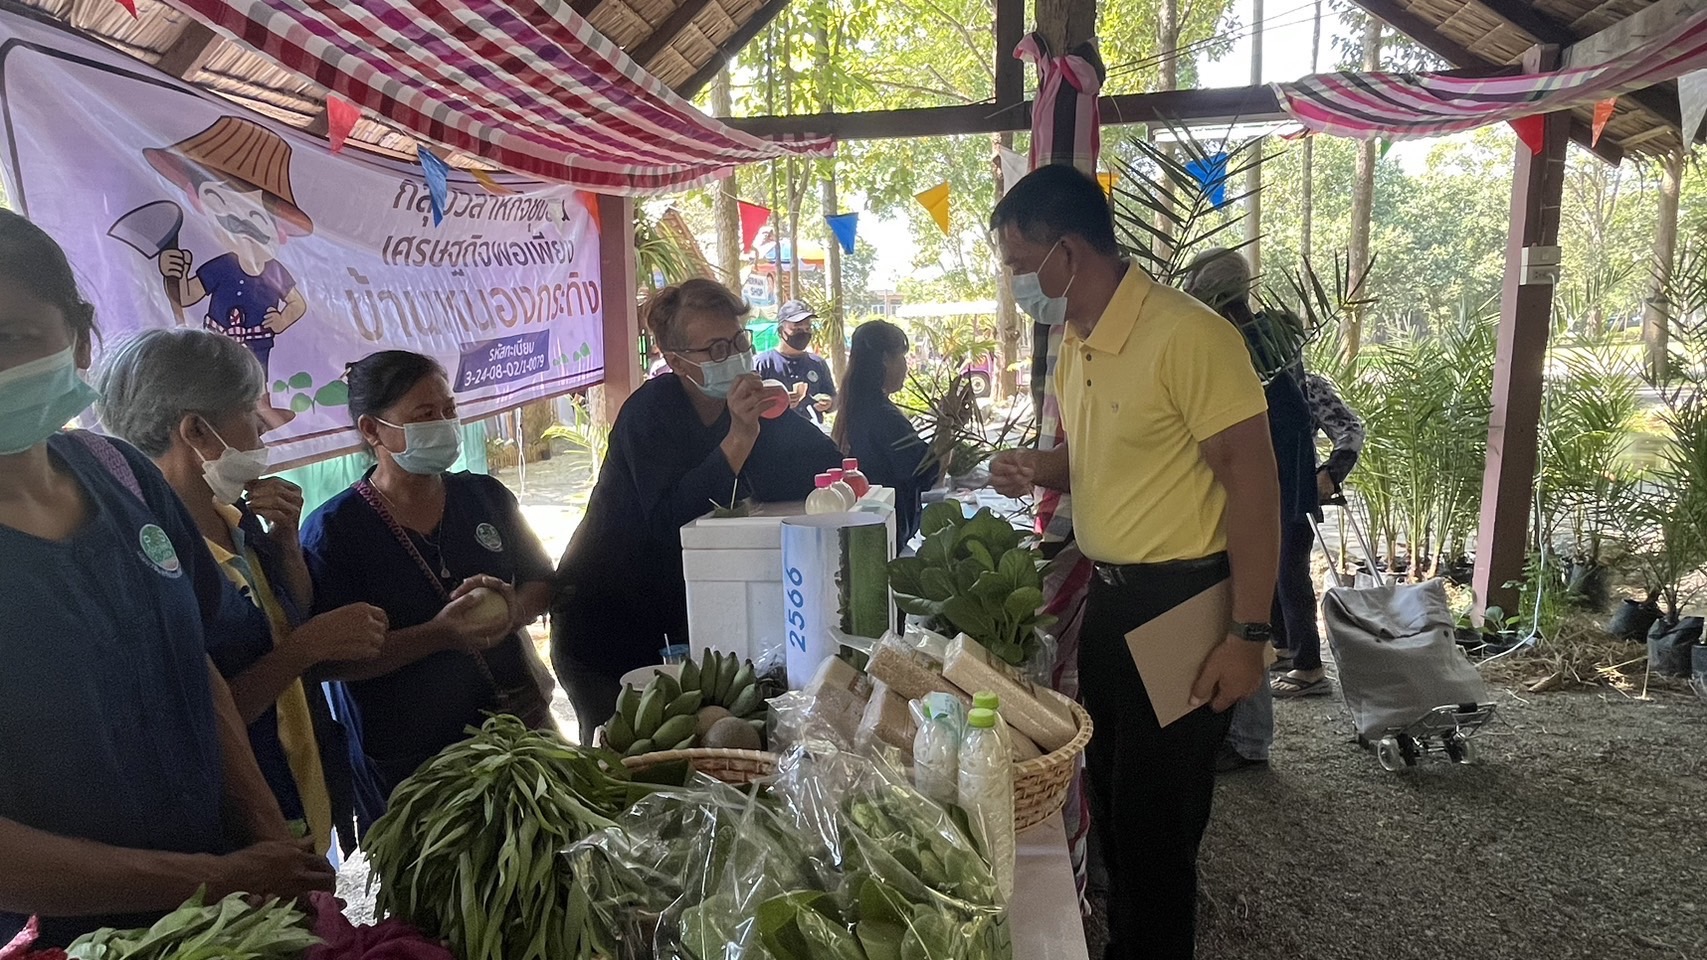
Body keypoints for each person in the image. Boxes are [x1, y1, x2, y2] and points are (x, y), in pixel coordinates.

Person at [0, 210, 333, 946]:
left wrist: (266, 837)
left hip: (227, 918)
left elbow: (195, 666)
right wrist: (217, 878)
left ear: (81, 338)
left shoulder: (123, 479)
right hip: (73, 940)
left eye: (8, 338)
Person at [986, 166, 1280, 960]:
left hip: (1183, 604)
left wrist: (1247, 634)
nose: (1017, 285)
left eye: (1020, 266)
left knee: (1157, 830)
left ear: (1068, 252)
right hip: (1112, 603)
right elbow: (1097, 457)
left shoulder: (1187, 336)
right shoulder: (1076, 342)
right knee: (1113, 807)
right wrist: (1037, 467)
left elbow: (1255, 491)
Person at [94, 328, 390, 853]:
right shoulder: (149, 559)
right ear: (198, 433)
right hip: (238, 829)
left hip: (299, 783)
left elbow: (284, 610)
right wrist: (307, 649)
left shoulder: (235, 517)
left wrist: (287, 545)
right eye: (253, 422)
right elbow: (198, 718)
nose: (263, 437)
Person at [553, 280, 841, 744]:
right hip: (604, 628)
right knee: (632, 761)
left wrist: (776, 416)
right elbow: (672, 525)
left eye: (740, 341)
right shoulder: (650, 413)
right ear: (676, 360)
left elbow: (827, 467)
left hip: (684, 626)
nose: (735, 356)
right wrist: (738, 440)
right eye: (717, 348)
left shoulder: (748, 406)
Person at [299, 351, 556, 826]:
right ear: (372, 430)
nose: (442, 424)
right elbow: (331, 661)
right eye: (424, 415)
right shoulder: (334, 534)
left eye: (448, 411)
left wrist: (509, 610)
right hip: (411, 765)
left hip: (514, 734)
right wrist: (439, 635)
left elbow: (542, 582)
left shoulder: (484, 496)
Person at [1177, 248, 1319, 774]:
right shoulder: (1267, 338)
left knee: (1248, 613)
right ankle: (1243, 730)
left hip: (1268, 490)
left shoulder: (1244, 347)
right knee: (1248, 608)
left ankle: (1252, 738)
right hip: (1276, 484)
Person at [831, 319, 938, 546]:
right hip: (887, 536)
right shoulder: (884, 417)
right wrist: (948, 428)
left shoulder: (857, 406)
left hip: (873, 532)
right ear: (886, 360)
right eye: (902, 357)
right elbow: (927, 473)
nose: (906, 366)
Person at [754, 299, 836, 422]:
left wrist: (829, 404)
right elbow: (750, 405)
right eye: (797, 329)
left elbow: (833, 398)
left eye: (807, 329)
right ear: (781, 331)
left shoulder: (818, 363)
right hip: (773, 436)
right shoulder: (763, 363)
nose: (803, 334)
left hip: (811, 435)